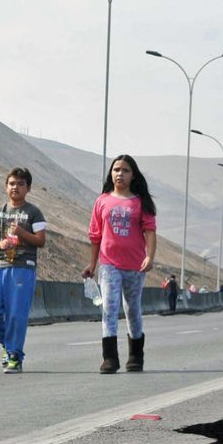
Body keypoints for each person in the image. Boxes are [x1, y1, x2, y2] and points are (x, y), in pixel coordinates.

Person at [82, 154, 157, 373]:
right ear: (110, 174)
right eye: (116, 170)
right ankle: (110, 358)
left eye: (125, 170)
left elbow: (150, 232)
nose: (119, 174)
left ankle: (136, 355)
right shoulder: (102, 201)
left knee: (132, 309)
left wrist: (149, 257)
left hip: (135, 265)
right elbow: (95, 236)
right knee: (110, 307)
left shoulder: (140, 202)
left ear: (133, 175)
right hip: (109, 264)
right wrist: (92, 264)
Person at [0, 166, 47, 373]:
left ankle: (14, 356)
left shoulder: (33, 212)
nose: (15, 187)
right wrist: (0, 245)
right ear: (6, 186)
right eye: (11, 183)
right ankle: (8, 345)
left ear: (28, 188)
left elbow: (40, 241)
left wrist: (20, 233)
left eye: (20, 184)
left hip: (23, 267)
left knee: (16, 314)